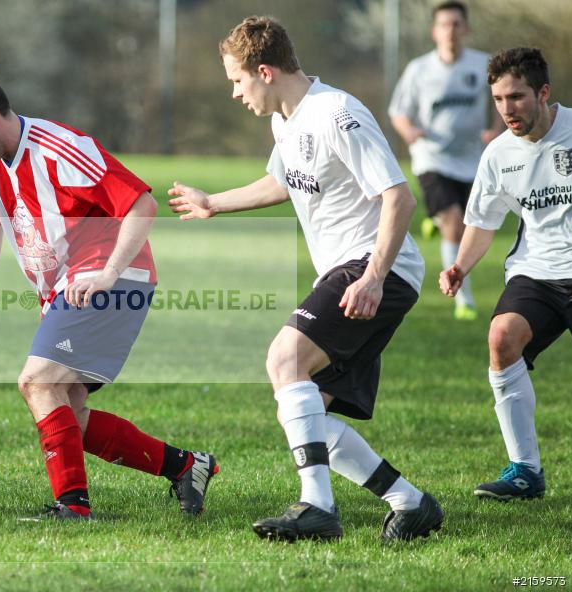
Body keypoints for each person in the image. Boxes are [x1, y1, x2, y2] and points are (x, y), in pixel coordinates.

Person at [169, 16, 443, 542]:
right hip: (356, 270)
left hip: (373, 266)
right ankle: (409, 502)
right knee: (307, 411)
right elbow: (282, 180)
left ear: (265, 71)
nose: (234, 92)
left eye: (237, 79)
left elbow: (399, 197)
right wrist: (213, 204)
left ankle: (317, 506)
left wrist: (373, 278)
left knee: (283, 359)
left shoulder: (337, 113)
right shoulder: (286, 121)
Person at [0, 61, 218, 521]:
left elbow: (142, 202)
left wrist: (108, 274)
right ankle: (186, 466)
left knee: (37, 382)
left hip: (110, 279)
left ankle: (73, 508)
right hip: (65, 290)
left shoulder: (60, 147)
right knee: (70, 416)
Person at [440, 47, 572, 501]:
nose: (507, 110)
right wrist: (461, 265)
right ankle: (525, 471)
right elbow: (482, 221)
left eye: (516, 97)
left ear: (543, 92)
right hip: (536, 273)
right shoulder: (499, 154)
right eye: (498, 100)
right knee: (501, 338)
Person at [388, 1, 502, 321]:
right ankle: (462, 299)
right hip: (431, 157)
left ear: (466, 29)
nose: (450, 30)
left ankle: (435, 221)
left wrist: (495, 130)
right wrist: (409, 130)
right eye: (444, 25)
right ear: (434, 31)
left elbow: (500, 98)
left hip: (471, 160)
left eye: (456, 24)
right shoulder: (419, 69)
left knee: (463, 225)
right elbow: (397, 111)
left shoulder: (483, 65)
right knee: (455, 222)